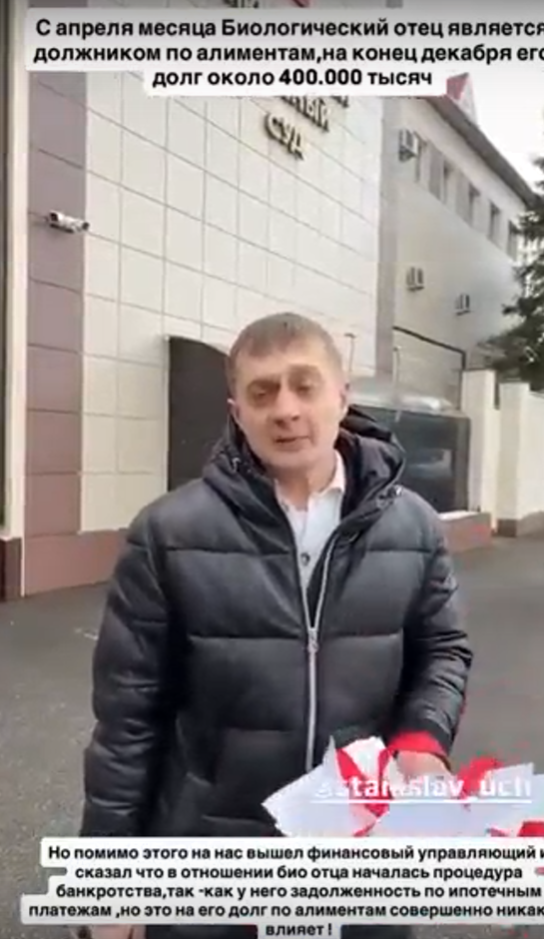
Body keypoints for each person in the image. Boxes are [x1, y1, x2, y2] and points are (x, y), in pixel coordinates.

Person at [80, 312, 473, 939]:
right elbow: (128, 718)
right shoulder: (168, 533)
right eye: (262, 393)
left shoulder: (414, 527)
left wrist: (422, 741)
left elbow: (442, 650)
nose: (286, 410)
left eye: (304, 386)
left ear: (342, 395)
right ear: (237, 412)